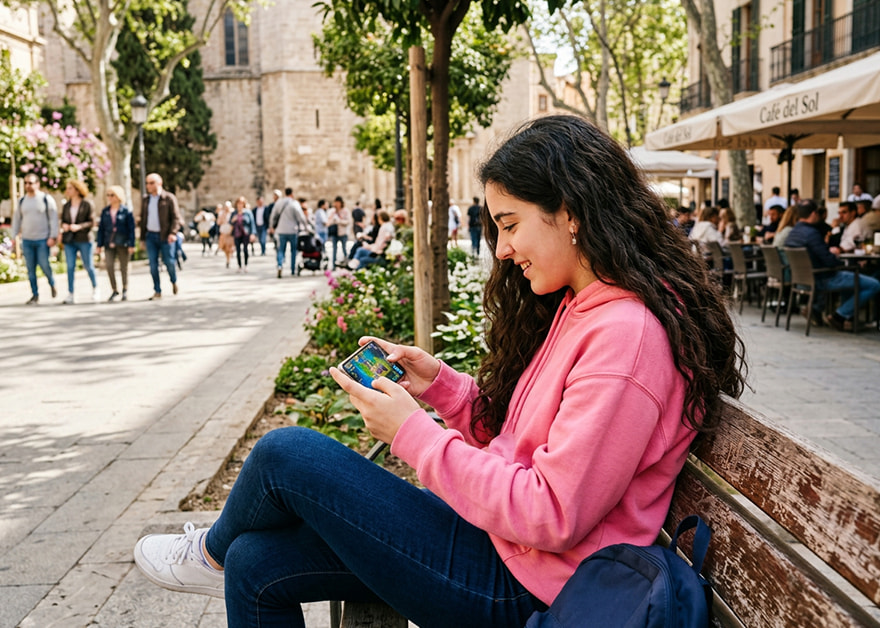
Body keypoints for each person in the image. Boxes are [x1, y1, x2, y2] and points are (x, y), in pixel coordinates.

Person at [133, 115, 746, 627]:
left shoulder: (627, 336)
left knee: (286, 454)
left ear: (571, 212)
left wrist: (413, 434)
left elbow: (552, 514)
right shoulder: (583, 307)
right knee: (258, 564)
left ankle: (206, 554)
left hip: (533, 587)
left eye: (510, 225)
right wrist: (440, 388)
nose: (502, 249)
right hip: (504, 551)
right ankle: (221, 555)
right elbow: (522, 445)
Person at [784, 199, 880, 331]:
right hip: (822, 279)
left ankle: (835, 313)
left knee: (851, 278)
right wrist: (835, 257)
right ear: (813, 214)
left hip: (802, 279)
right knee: (874, 284)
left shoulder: (792, 234)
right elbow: (829, 261)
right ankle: (840, 315)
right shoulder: (812, 234)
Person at [12, 172, 59, 305]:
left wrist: (53, 236)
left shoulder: (46, 199)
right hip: (27, 240)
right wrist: (14, 236)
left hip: (43, 239)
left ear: (37, 184)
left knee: (44, 265)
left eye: (30, 183)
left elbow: (53, 219)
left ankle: (52, 283)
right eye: (26, 183)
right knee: (30, 270)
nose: (28, 185)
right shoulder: (22, 201)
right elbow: (17, 219)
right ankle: (35, 295)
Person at [139, 173, 181, 300]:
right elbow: (143, 220)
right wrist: (142, 238)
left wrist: (173, 233)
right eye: (147, 183)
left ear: (159, 183)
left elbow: (176, 218)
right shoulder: (146, 200)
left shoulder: (168, 198)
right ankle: (157, 290)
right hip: (151, 236)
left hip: (166, 236)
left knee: (169, 262)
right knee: (153, 265)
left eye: (151, 183)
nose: (148, 186)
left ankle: (173, 281)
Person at [60, 179, 99, 304]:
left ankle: (95, 288)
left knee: (88, 265)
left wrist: (79, 226)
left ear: (77, 190)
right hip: (69, 240)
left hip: (84, 239)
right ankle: (71, 293)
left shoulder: (87, 204)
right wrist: (65, 226)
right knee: (70, 267)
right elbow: (63, 220)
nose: (68, 191)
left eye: (70, 188)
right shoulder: (66, 205)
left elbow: (92, 222)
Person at [95, 185, 136, 301]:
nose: (109, 197)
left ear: (118, 196)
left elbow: (131, 229)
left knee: (124, 267)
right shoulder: (105, 211)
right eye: (108, 195)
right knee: (109, 266)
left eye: (112, 195)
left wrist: (132, 244)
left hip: (123, 242)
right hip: (109, 242)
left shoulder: (126, 211)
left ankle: (125, 289)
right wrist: (99, 245)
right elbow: (101, 229)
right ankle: (114, 290)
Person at [269, 188, 309, 277]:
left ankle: (280, 265)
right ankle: (292, 269)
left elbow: (273, 215)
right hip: (292, 230)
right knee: (293, 251)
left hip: (281, 230)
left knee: (281, 250)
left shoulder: (279, 203)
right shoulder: (294, 204)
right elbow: (301, 217)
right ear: (292, 193)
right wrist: (306, 227)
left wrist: (271, 226)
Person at [230, 196, 256, 273]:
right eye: (239, 203)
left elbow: (252, 223)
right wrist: (233, 220)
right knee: (238, 250)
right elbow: (230, 223)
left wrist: (252, 234)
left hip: (245, 233)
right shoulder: (234, 213)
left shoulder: (248, 213)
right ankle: (239, 266)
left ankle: (246, 265)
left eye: (241, 203)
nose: (240, 205)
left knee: (245, 250)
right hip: (237, 233)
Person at [327, 195, 351, 268]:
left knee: (344, 249)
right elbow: (328, 222)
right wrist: (333, 220)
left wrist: (339, 221)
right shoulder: (332, 211)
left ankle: (346, 264)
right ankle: (333, 265)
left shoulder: (345, 211)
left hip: (343, 233)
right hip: (335, 232)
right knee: (334, 249)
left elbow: (348, 221)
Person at [216, 202, 235, 268]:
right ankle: (228, 259)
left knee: (229, 246)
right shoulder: (222, 213)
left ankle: (229, 259)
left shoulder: (233, 213)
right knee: (224, 247)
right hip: (223, 231)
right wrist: (222, 218)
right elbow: (218, 222)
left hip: (230, 232)